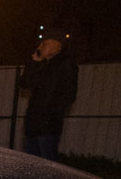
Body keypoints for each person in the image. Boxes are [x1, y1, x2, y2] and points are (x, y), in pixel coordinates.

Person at [18, 26, 78, 161]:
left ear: (57, 47)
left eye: (45, 44)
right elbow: (24, 83)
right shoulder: (42, 65)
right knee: (30, 164)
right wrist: (34, 63)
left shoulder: (65, 64)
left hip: (48, 127)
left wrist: (49, 116)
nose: (40, 47)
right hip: (32, 125)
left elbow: (69, 95)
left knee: (47, 164)